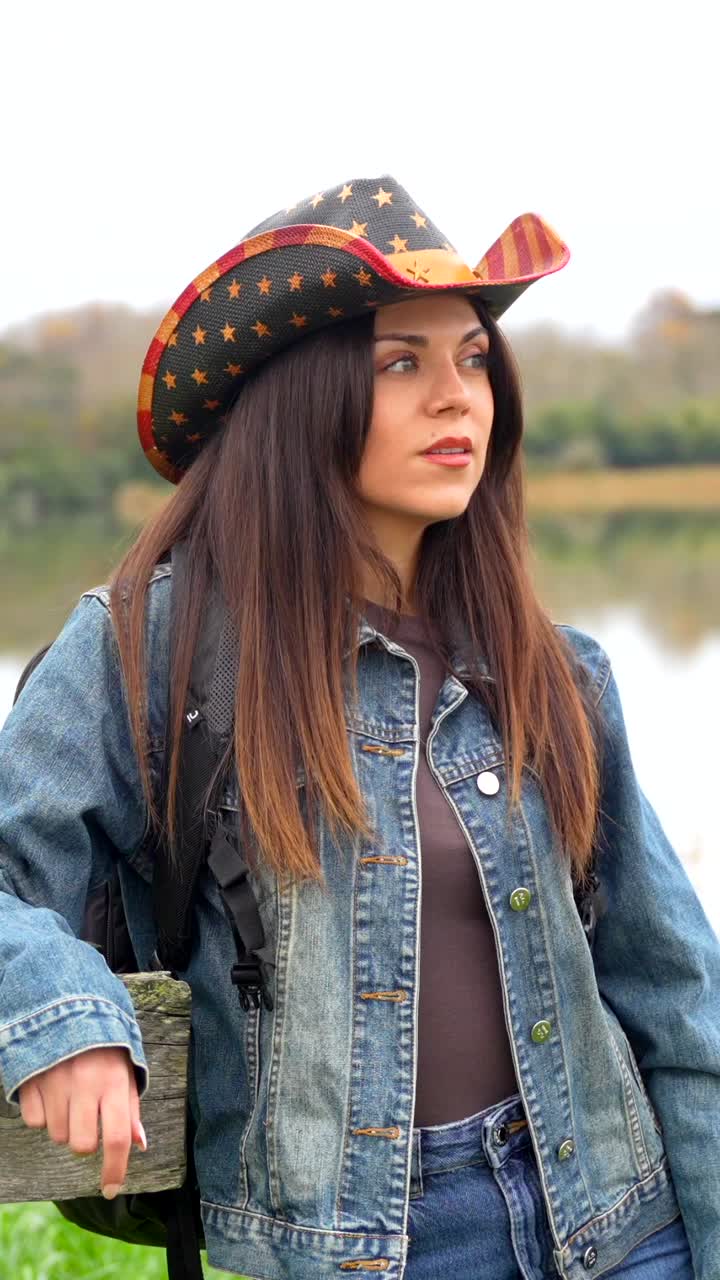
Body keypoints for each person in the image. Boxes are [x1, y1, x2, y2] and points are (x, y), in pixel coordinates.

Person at [0, 174, 718, 1280]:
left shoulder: (556, 669)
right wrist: (64, 1012)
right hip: (369, 1251)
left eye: (474, 357)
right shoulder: (156, 644)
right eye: (402, 362)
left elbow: (676, 992)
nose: (459, 397)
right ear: (303, 396)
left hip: (622, 1224)